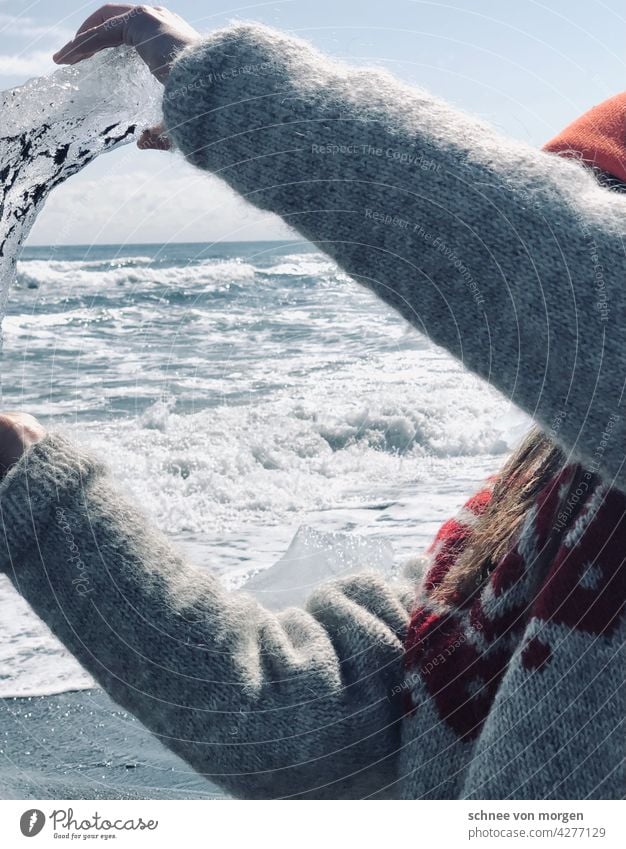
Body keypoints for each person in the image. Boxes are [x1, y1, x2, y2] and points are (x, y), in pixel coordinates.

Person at [0, 4, 624, 800]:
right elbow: (316, 728)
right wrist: (34, 491)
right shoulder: (541, 511)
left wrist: (236, 96)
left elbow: (569, 286)